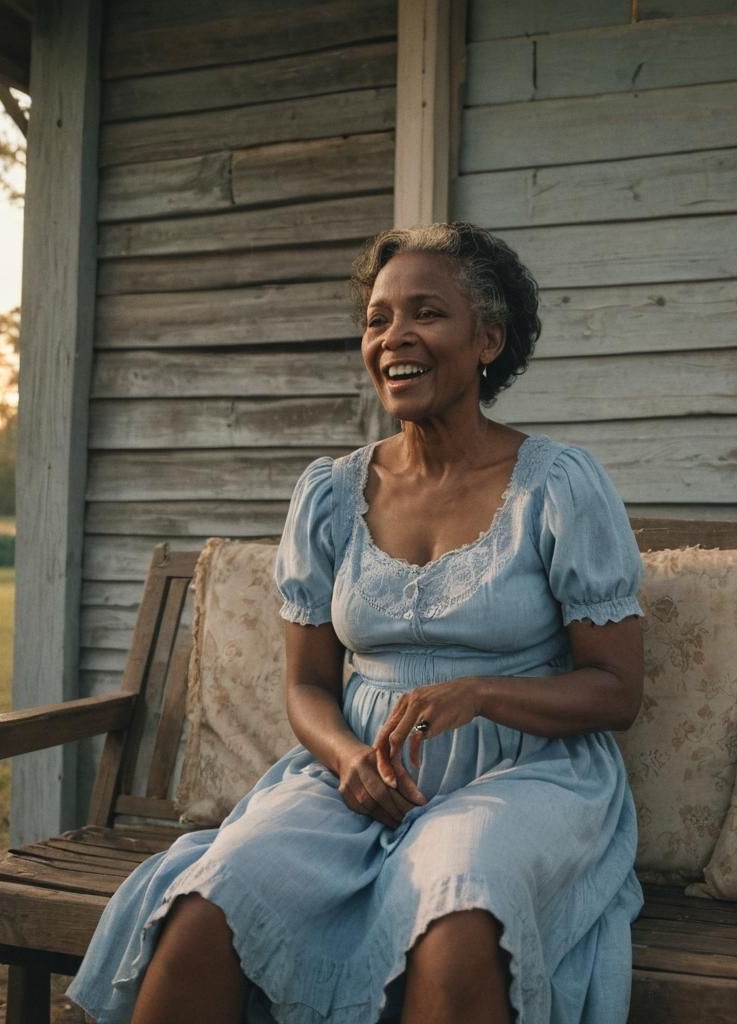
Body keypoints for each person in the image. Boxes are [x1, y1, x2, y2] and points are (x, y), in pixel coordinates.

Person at [67, 222, 646, 1024]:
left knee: (458, 916)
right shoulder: (331, 495)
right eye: (378, 319)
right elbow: (307, 685)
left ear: (488, 339)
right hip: (358, 776)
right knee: (212, 903)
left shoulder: (558, 486)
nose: (393, 337)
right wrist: (347, 762)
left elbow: (616, 691)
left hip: (524, 776)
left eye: (426, 313)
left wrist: (480, 693)